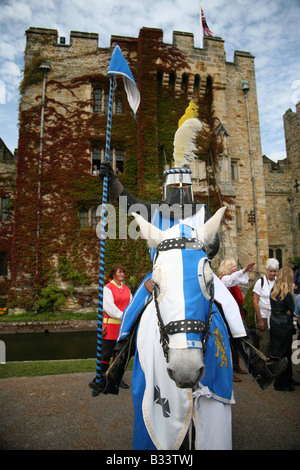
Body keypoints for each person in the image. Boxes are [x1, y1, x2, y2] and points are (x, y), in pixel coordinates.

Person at [89, 265, 132, 392]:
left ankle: (116, 378)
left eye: (123, 272)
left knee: (118, 355)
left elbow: (131, 304)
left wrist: (130, 317)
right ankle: (100, 380)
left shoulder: (126, 289)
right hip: (111, 326)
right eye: (120, 272)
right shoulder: (107, 288)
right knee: (106, 354)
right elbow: (109, 308)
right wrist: (124, 316)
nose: (122, 274)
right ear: (113, 274)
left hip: (123, 327)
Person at [219, 259, 255, 382]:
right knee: (230, 343)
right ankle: (229, 371)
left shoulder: (231, 281)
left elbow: (237, 278)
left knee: (238, 341)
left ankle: (237, 366)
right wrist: (244, 270)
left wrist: (244, 271)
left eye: (235, 266)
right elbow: (232, 278)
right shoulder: (223, 280)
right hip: (228, 317)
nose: (234, 268)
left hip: (236, 314)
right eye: (232, 266)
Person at [270, 267, 297, 391]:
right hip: (284, 326)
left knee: (283, 353)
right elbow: (294, 311)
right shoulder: (287, 294)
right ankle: (280, 383)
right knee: (284, 354)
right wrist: (288, 312)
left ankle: (287, 378)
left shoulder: (274, 290)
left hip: (275, 324)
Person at [253, 258, 279, 357]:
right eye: (270, 271)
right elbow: (255, 301)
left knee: (274, 343)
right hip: (263, 316)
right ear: (267, 270)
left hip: (274, 316)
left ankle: (272, 365)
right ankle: (261, 365)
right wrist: (259, 319)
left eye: (274, 271)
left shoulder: (278, 282)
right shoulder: (260, 282)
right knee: (265, 343)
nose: (272, 273)